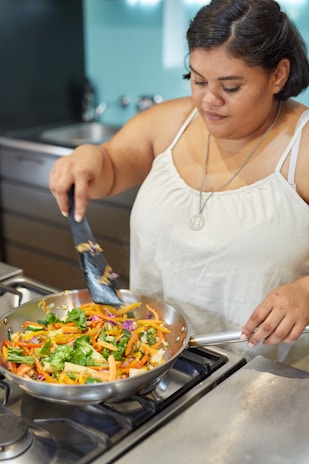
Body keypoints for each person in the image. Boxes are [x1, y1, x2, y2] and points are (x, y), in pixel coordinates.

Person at [49, 0, 309, 366]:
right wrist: (90, 157)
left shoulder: (302, 146)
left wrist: (306, 292)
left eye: (230, 87)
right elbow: (109, 164)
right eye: (198, 80)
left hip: (264, 378)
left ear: (278, 75)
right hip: (154, 362)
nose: (209, 100)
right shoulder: (170, 122)